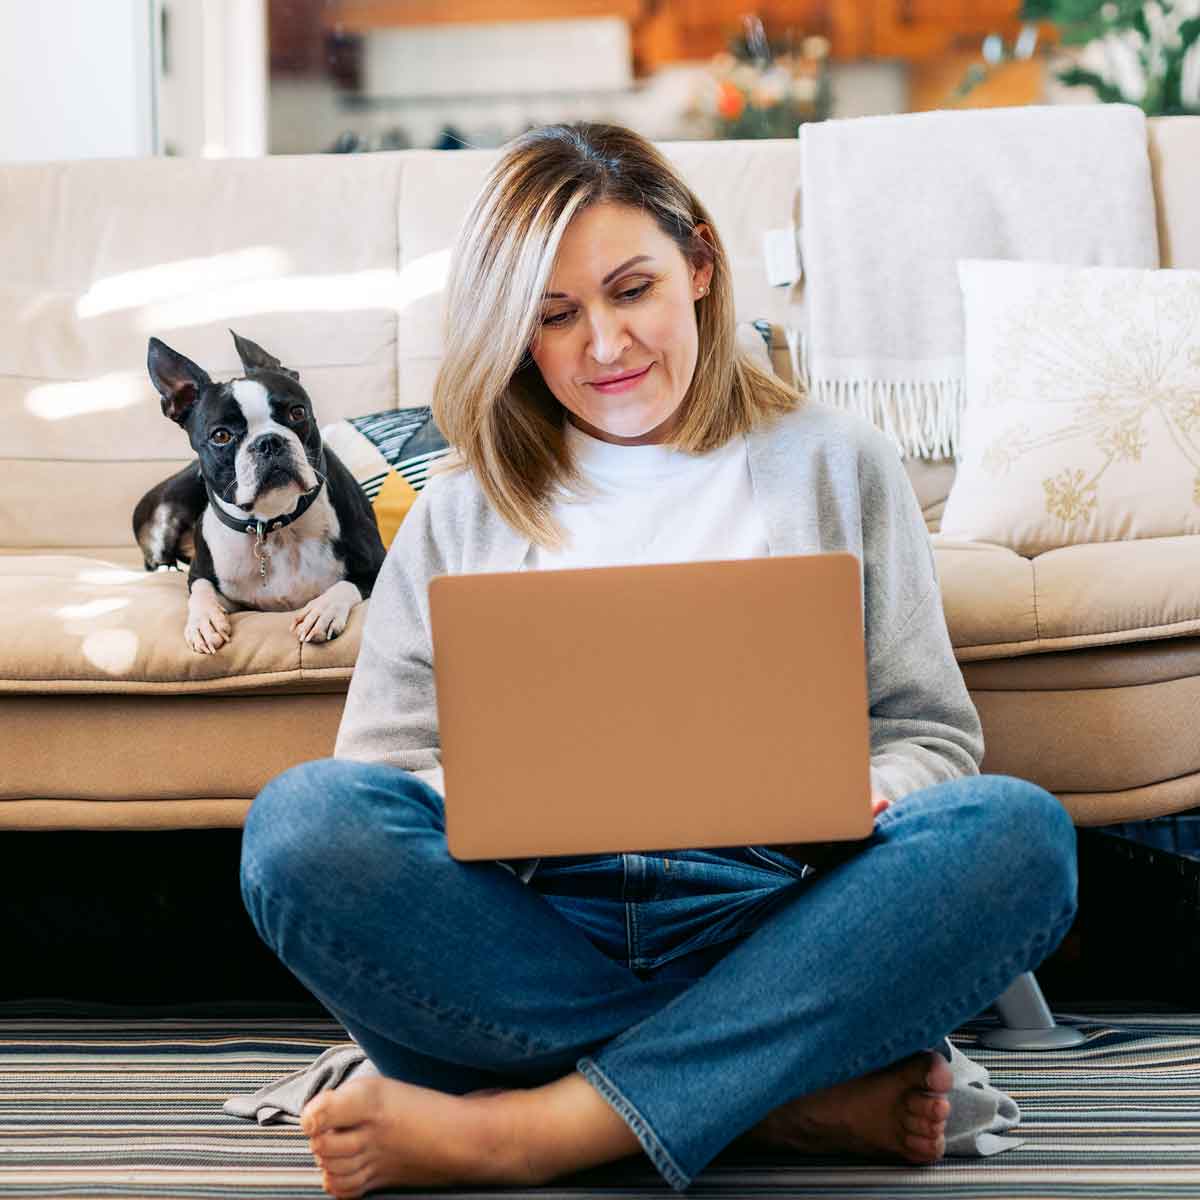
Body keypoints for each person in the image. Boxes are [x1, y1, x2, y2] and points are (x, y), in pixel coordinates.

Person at [239, 122, 1078, 1198]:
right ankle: (777, 1103)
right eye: (555, 317)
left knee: (1019, 837)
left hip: (779, 919)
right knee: (298, 828)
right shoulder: (460, 513)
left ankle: (531, 1129)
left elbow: (932, 734)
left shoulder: (838, 465)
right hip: (530, 927)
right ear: (518, 337)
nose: (604, 345)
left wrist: (875, 786)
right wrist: (496, 796)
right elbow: (377, 779)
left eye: (630, 289)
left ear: (700, 265)